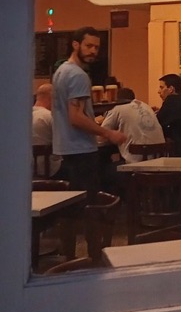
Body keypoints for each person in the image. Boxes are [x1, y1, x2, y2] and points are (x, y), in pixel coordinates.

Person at [52, 26, 126, 200]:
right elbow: (76, 117)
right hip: (81, 150)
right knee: (87, 205)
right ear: (76, 45)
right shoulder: (79, 75)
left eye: (97, 47)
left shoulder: (61, 71)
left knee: (72, 206)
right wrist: (109, 133)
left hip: (64, 148)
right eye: (89, 46)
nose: (93, 51)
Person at [101, 87, 165, 164]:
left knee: (105, 166)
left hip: (135, 164)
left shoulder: (118, 108)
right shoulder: (146, 106)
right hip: (158, 161)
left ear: (117, 100)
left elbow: (102, 134)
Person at [31, 83, 62, 177]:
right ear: (52, 98)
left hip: (27, 170)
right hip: (50, 170)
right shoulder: (49, 116)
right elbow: (63, 142)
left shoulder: (22, 116)